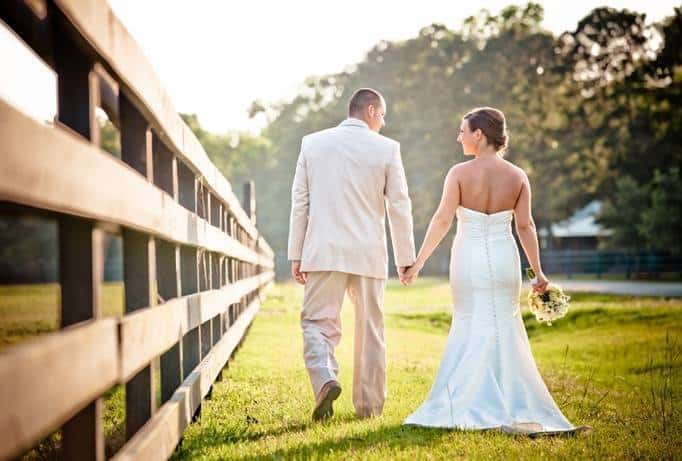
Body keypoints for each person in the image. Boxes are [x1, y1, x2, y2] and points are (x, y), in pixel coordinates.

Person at [401, 107, 588, 435]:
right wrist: (537, 273)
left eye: (463, 131)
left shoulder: (458, 174)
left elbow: (443, 220)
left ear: (479, 134)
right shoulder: (517, 176)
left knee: (470, 322)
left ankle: (471, 401)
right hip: (505, 259)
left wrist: (418, 262)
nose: (458, 137)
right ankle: (512, 399)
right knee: (504, 326)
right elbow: (525, 226)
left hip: (469, 259)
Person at [288, 88, 416, 421]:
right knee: (370, 329)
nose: (384, 123)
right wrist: (406, 257)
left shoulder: (312, 144)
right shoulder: (388, 149)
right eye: (383, 115)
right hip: (367, 254)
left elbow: (300, 203)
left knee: (317, 323)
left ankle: (324, 379)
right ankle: (369, 409)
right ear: (371, 110)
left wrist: (296, 253)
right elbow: (399, 206)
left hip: (323, 250)